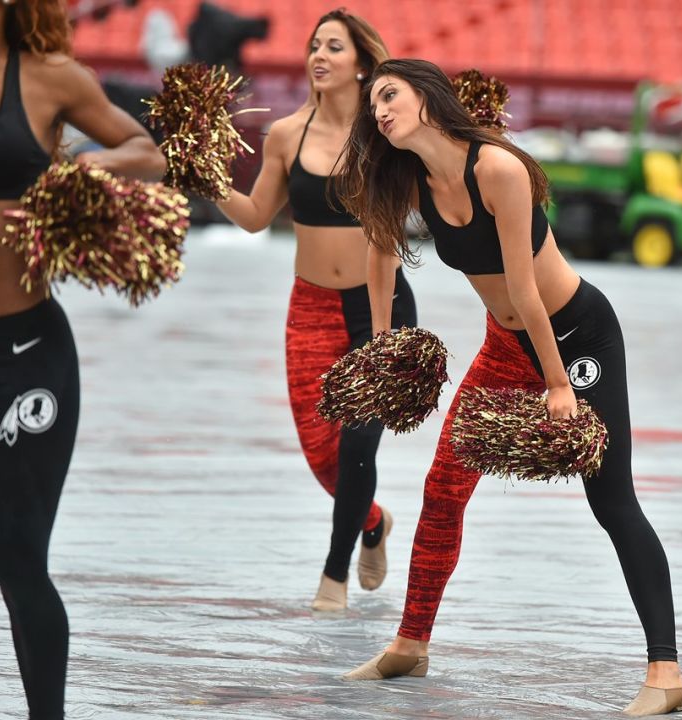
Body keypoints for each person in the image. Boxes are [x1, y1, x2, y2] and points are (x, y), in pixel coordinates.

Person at [334, 59, 682, 716]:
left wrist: (556, 384)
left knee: (611, 501)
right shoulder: (411, 177)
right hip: (505, 343)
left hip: (576, 338)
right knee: (442, 490)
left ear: (427, 96)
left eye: (390, 94)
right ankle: (411, 643)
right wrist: (383, 345)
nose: (379, 110)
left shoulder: (497, 168)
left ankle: (665, 672)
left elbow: (526, 291)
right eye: (372, 104)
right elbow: (379, 249)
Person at [0, 0, 166, 718]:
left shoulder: (52, 78)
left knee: (17, 559)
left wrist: (83, 169)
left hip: (25, 352)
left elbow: (150, 152)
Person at [215, 9, 416, 611]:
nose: (320, 56)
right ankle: (373, 522)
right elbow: (255, 217)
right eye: (314, 46)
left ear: (361, 64)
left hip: (380, 306)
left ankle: (333, 576)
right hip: (311, 306)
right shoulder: (285, 133)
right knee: (321, 452)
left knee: (358, 442)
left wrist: (381, 341)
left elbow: (384, 241)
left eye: (335, 46)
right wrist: (204, 178)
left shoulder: (380, 134)